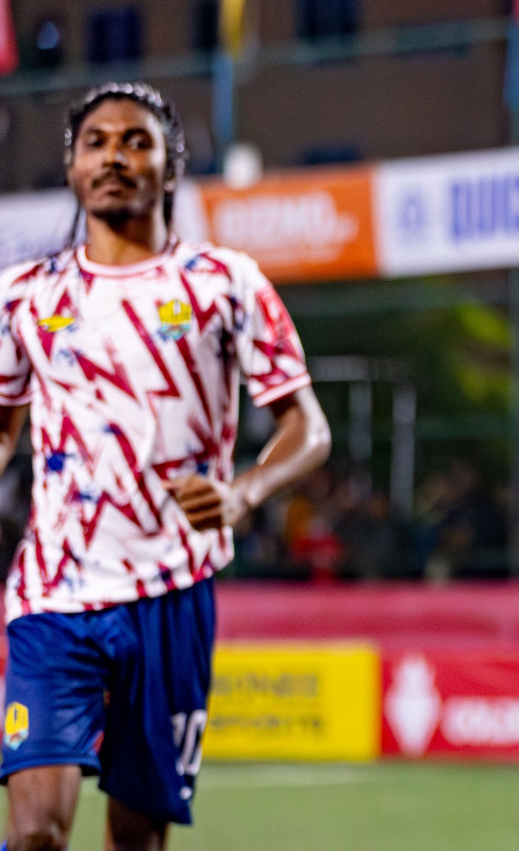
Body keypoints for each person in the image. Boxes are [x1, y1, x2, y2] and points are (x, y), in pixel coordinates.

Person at [0, 82, 331, 851]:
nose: (115, 156)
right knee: (37, 834)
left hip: (172, 598)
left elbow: (306, 427)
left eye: (137, 141)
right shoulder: (24, 297)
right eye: (98, 143)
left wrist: (245, 493)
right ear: (74, 167)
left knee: (138, 839)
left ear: (172, 167)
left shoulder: (226, 284)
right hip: (55, 594)